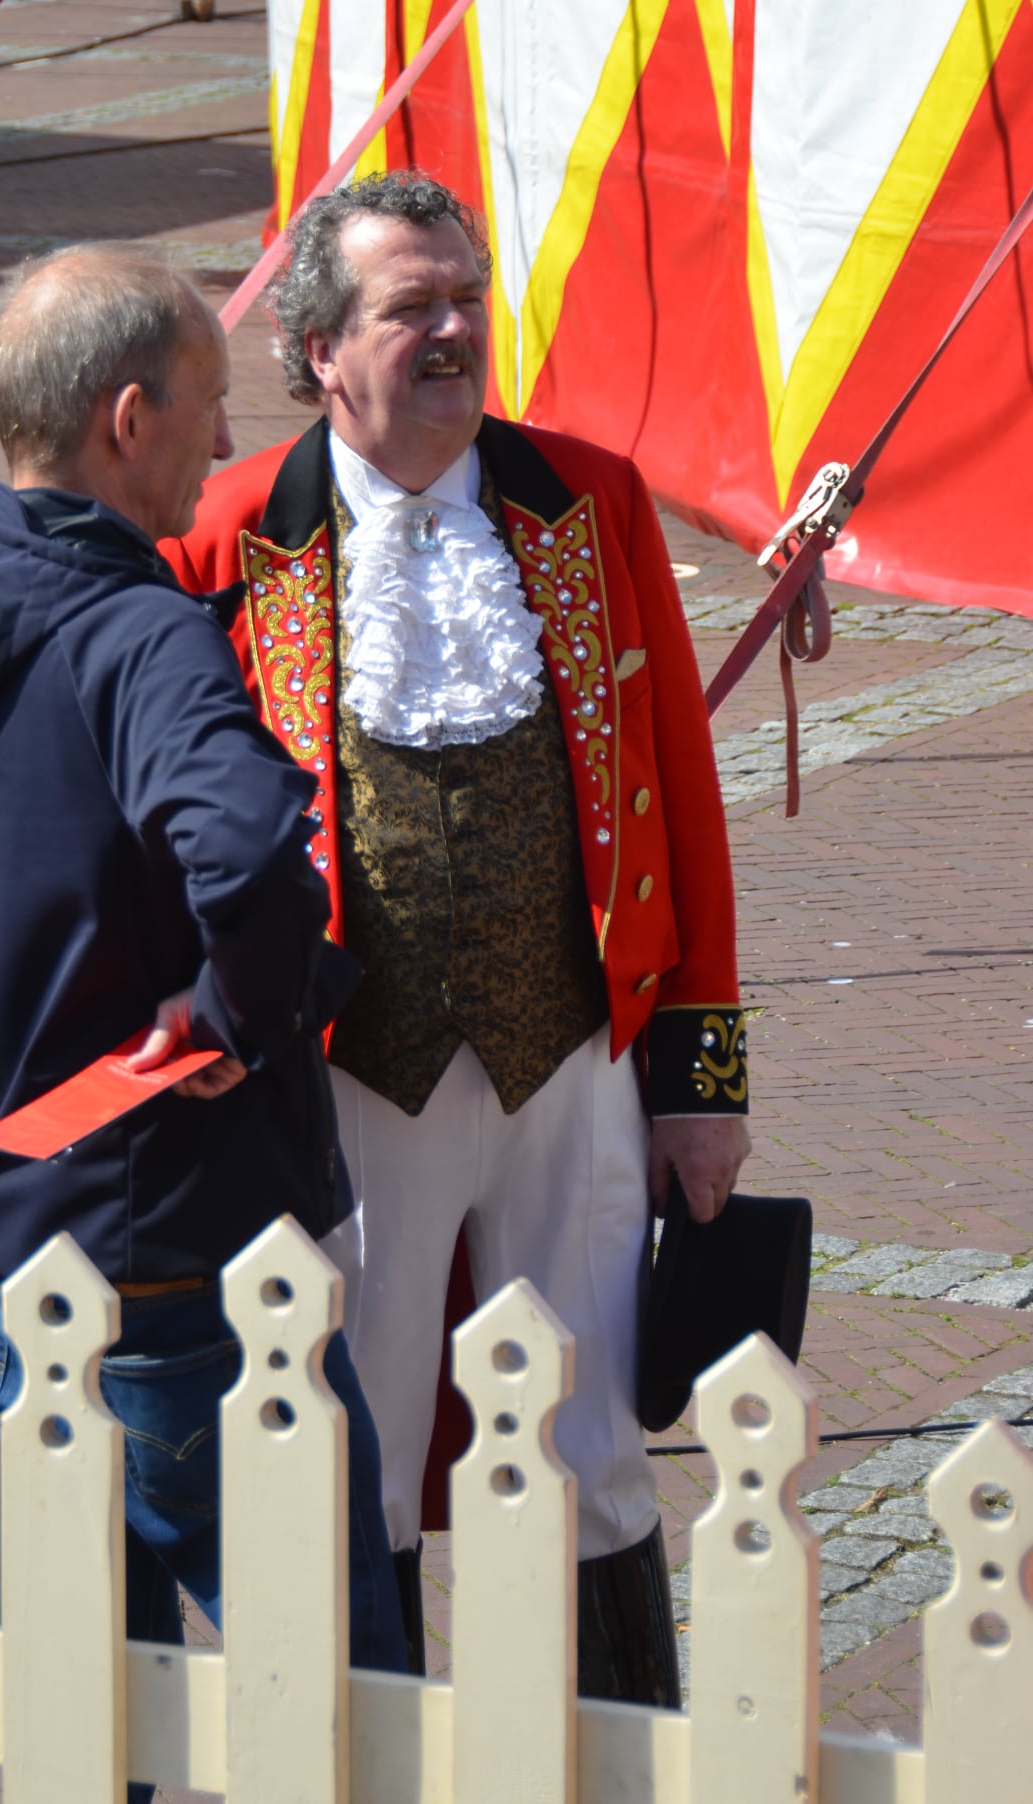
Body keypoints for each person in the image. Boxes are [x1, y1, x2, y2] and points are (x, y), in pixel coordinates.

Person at [164, 171, 751, 1704]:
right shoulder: (233, 535)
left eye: (463, 300)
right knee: (351, 1438)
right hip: (348, 1077)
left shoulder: (586, 499)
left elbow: (683, 798)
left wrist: (701, 1073)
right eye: (406, 306)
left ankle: (611, 1754)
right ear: (316, 352)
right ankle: (358, 1753)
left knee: (594, 1435)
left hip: (576, 1056)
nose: (448, 331)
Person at [0, 245, 408, 1796]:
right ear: (123, 418)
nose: (226, 446)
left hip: (13, 1218)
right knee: (335, 1708)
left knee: (87, 1722)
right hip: (180, 1245)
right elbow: (245, 851)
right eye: (209, 409)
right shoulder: (137, 628)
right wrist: (234, 1012)